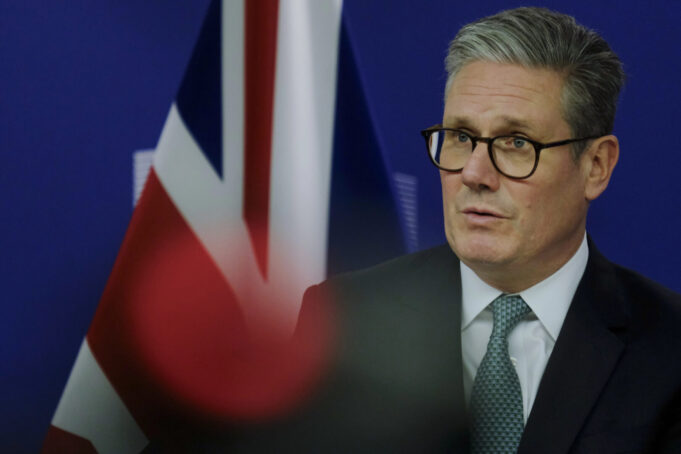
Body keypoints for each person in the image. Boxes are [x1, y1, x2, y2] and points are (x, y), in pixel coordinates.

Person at [209, 7, 681, 453]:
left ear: (596, 166)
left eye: (516, 143)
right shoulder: (345, 325)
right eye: (459, 137)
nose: (474, 173)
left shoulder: (670, 346)